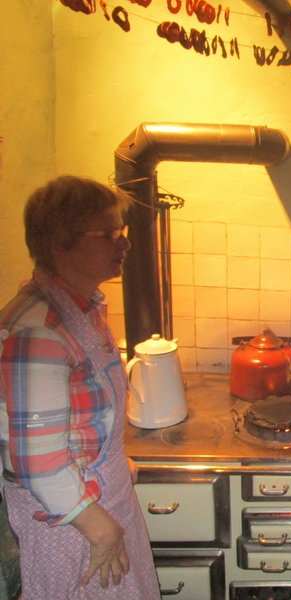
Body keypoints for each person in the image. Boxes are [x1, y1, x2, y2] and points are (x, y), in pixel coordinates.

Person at [0, 176, 160, 599]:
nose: (125, 243)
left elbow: (81, 415)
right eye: (108, 234)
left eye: (121, 231)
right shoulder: (37, 331)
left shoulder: (80, 309)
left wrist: (112, 461)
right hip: (71, 523)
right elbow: (38, 463)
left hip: (100, 498)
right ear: (61, 242)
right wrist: (101, 530)